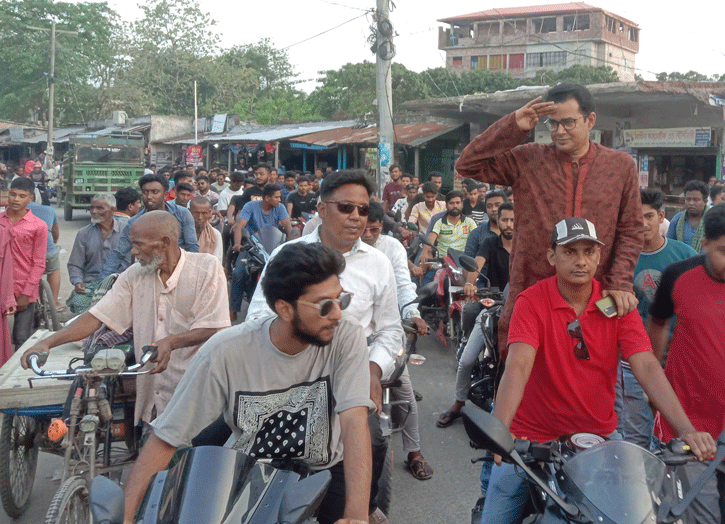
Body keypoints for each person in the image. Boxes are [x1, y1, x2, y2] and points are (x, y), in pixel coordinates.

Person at [479, 217, 716, 524]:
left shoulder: (616, 304)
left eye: (589, 252)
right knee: (497, 515)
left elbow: (645, 363)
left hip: (598, 438)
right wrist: (501, 431)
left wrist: (686, 431)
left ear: (599, 257)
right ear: (552, 256)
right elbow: (519, 364)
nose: (581, 261)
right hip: (529, 439)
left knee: (636, 514)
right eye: (570, 252)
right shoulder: (531, 301)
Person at [122, 242, 374, 524]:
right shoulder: (226, 351)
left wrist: (357, 516)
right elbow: (167, 437)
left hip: (323, 470)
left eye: (342, 300)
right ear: (284, 309)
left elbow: (354, 422)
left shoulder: (346, 336)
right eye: (325, 305)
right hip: (248, 477)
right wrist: (128, 518)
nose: (338, 314)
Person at [246, 170, 404, 521]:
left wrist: (373, 368)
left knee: (373, 441)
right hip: (287, 373)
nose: (356, 217)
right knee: (220, 440)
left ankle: (363, 508)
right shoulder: (289, 253)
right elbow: (257, 316)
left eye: (364, 210)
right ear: (321, 208)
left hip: (350, 372)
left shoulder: (379, 263)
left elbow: (391, 331)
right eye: (346, 207)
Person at [455, 83, 643, 356]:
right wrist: (514, 126)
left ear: (590, 120)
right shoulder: (528, 159)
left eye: (568, 122)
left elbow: (630, 229)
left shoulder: (620, 167)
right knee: (523, 382)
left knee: (589, 384)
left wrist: (620, 281)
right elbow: (467, 165)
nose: (559, 131)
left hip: (593, 299)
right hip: (531, 295)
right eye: (552, 124)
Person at [22, 211, 230, 425]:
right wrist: (48, 342)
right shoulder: (134, 275)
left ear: (164, 243)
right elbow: (97, 317)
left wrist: (171, 342)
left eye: (139, 244)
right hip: (153, 391)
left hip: (195, 389)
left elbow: (214, 327)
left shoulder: (206, 268)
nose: (133, 251)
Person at [647, 204, 725, 523]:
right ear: (705, 245)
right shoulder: (677, 276)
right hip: (688, 427)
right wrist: (656, 391)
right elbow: (658, 324)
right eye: (723, 250)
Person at [614, 188, 697, 449]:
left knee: (673, 438)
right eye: (635, 218)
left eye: (648, 216)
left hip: (678, 362)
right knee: (636, 438)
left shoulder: (685, 256)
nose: (642, 223)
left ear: (661, 216)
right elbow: (606, 305)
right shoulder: (618, 261)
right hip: (633, 363)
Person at [361, 202, 433, 481]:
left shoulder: (392, 248)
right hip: (353, 339)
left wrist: (413, 314)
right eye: (363, 229)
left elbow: (404, 284)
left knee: (405, 393)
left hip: (388, 332)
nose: (367, 234)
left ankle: (414, 453)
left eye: (374, 229)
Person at [437, 201, 513, 428]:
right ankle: (459, 403)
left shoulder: (526, 247)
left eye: (512, 219)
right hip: (494, 306)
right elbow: (476, 264)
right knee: (467, 360)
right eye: (505, 219)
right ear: (497, 221)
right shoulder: (490, 243)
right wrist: (471, 284)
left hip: (520, 309)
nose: (509, 224)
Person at [100, 174, 199, 279]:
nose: (149, 196)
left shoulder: (182, 214)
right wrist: (103, 280)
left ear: (165, 195)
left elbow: (192, 247)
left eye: (154, 192)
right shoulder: (135, 222)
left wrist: (190, 274)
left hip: (179, 270)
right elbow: (119, 253)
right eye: (145, 192)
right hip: (149, 272)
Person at [1, 178, 47, 349]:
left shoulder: (38, 226)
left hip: (24, 288)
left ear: (30, 198)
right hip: (1, 285)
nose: (16, 199)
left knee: (21, 338)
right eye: (13, 194)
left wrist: (26, 293)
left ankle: (19, 374)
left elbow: (39, 263)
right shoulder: (0, 221)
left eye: (22, 196)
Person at [66, 194, 125, 313]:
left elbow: (131, 261)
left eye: (99, 208)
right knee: (79, 303)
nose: (94, 211)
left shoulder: (125, 231)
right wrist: (78, 281)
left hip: (120, 283)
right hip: (92, 283)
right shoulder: (84, 233)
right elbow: (75, 264)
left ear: (113, 210)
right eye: (92, 208)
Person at [418, 190, 476, 273]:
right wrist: (424, 252)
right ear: (446, 205)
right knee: (428, 284)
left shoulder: (470, 222)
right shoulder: (440, 222)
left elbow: (476, 240)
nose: (455, 206)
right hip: (442, 263)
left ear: (462, 204)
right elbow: (430, 239)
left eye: (457, 203)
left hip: (463, 264)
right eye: (451, 203)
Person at [26, 197, 62, 311]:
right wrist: (55, 241)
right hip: (48, 251)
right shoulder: (49, 210)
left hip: (26, 254)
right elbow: (55, 231)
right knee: (54, 270)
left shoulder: (16, 210)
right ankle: (54, 302)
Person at [667, 179, 709, 252]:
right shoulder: (677, 219)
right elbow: (669, 246)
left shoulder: (713, 220)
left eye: (696, 200)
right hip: (681, 261)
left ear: (705, 201)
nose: (691, 203)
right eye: (688, 199)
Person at [189, 197, 222, 263]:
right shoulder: (181, 233)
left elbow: (217, 262)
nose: (200, 217)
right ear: (189, 211)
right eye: (196, 213)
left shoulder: (215, 234)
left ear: (209, 213)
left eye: (204, 213)